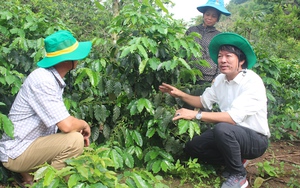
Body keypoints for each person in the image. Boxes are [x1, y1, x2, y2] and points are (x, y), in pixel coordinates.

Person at [159, 32, 270, 188]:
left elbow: (232, 118)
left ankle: (238, 175)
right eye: (220, 56)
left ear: (242, 60)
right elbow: (202, 101)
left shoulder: (251, 81)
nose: (223, 60)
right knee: (193, 146)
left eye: (228, 56)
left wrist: (195, 115)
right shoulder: (220, 80)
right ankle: (236, 161)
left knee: (223, 128)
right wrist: (179, 94)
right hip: (231, 133)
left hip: (255, 139)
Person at [0, 30, 92, 185]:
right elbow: (67, 125)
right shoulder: (43, 80)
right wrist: (83, 124)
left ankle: (31, 179)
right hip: (17, 152)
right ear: (68, 59)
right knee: (75, 140)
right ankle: (45, 183)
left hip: (27, 145)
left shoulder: (51, 80)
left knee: (77, 141)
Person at [186, 0, 231, 84]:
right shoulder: (192, 30)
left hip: (208, 78)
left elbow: (221, 57)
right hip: (189, 75)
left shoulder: (218, 36)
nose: (209, 18)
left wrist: (217, 77)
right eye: (207, 14)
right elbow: (183, 51)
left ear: (217, 19)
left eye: (214, 16)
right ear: (203, 14)